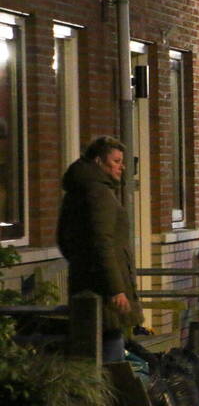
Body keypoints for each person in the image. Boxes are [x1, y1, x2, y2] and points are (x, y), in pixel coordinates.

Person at [57, 136, 144, 363]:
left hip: (84, 283)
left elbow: (63, 238)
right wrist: (116, 289)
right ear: (98, 161)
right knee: (111, 350)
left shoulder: (76, 191)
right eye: (116, 161)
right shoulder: (100, 194)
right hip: (104, 291)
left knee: (91, 350)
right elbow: (101, 241)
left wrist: (81, 263)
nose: (121, 166)